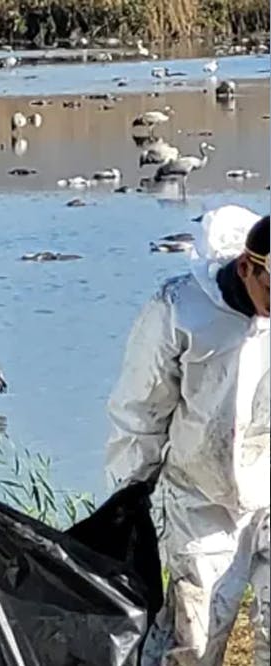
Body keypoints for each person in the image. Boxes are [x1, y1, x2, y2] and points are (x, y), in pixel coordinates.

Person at [104, 206, 269, 666]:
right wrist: (129, 490)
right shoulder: (180, 309)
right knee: (193, 643)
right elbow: (140, 406)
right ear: (246, 268)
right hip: (201, 499)